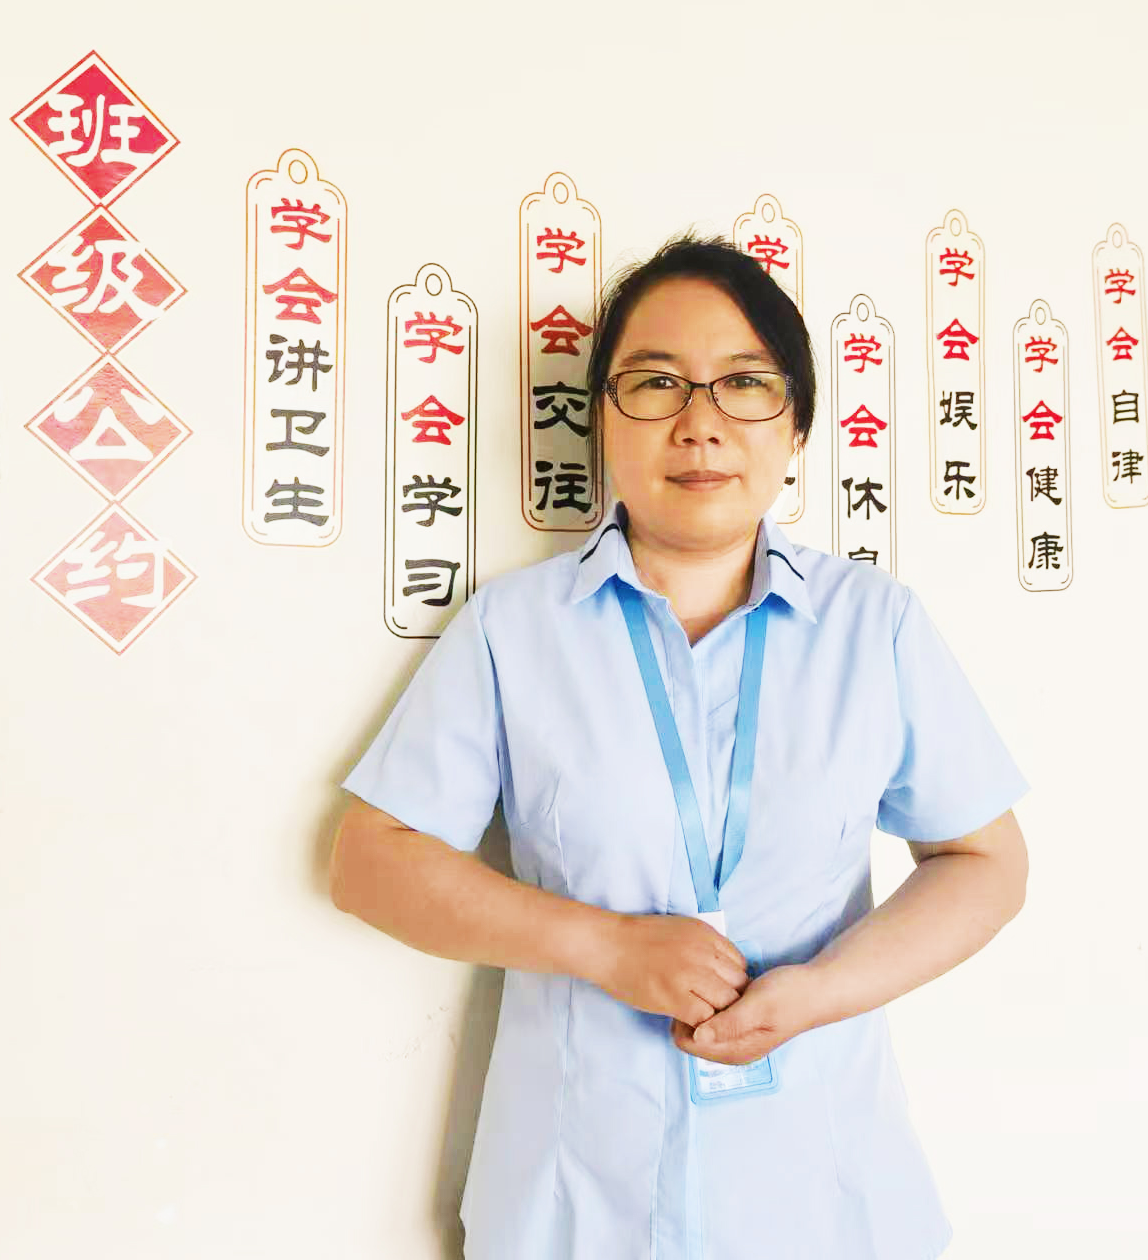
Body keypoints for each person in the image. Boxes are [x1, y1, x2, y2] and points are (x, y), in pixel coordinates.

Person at [331, 234, 1030, 1259]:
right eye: (656, 382)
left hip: (821, 1193)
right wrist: (605, 947)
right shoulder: (513, 630)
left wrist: (822, 991)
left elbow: (986, 861)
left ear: (796, 424)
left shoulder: (872, 625)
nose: (700, 421)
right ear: (602, 419)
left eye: (744, 383)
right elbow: (369, 861)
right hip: (577, 1197)